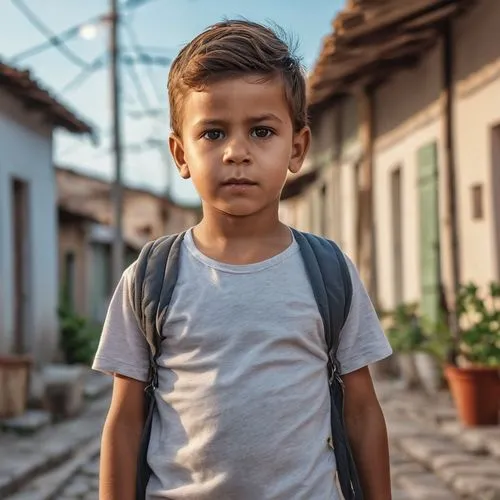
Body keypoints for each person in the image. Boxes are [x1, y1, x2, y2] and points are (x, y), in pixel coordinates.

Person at [93, 19, 393, 500]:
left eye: (261, 131)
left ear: (297, 147)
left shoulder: (329, 272)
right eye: (212, 133)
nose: (236, 152)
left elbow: (361, 409)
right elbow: (125, 421)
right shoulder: (150, 279)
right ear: (180, 153)